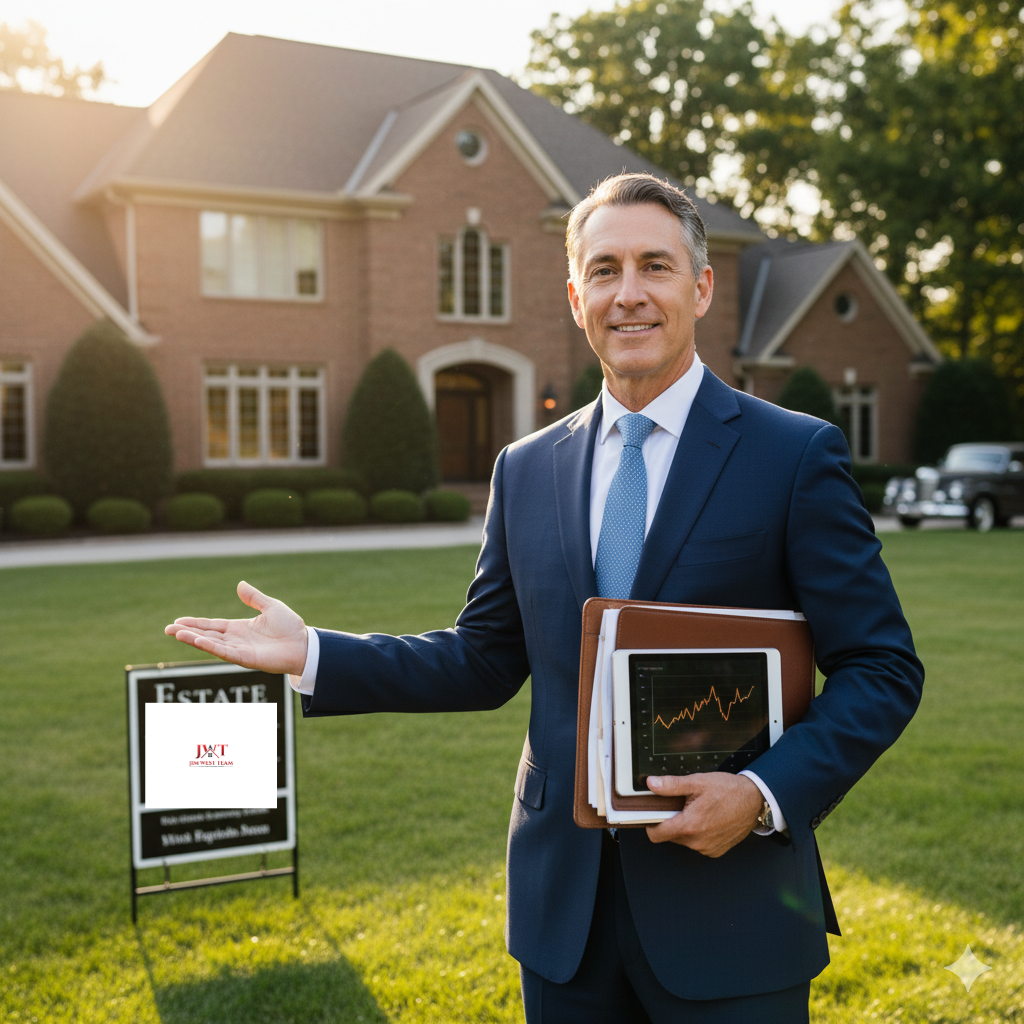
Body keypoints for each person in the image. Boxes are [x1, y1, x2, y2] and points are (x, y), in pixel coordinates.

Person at [166, 173, 923, 1023]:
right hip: (564, 915)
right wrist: (315, 654)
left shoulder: (793, 455)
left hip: (733, 910)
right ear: (574, 297)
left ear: (701, 286)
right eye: (604, 271)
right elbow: (484, 658)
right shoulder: (525, 469)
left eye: (654, 267)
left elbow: (882, 667)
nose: (628, 294)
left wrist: (762, 797)